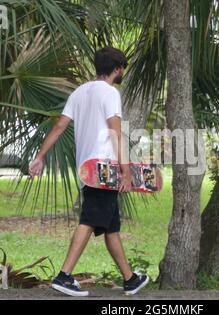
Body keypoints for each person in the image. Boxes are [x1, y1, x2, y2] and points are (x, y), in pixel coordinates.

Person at [28, 47, 149, 297]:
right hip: (104, 169)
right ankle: (64, 276)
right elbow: (115, 132)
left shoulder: (79, 92)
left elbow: (60, 126)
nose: (123, 72)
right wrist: (126, 171)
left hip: (87, 168)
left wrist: (40, 157)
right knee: (91, 219)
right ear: (117, 69)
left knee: (111, 225)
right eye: (122, 68)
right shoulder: (110, 93)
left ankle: (130, 279)